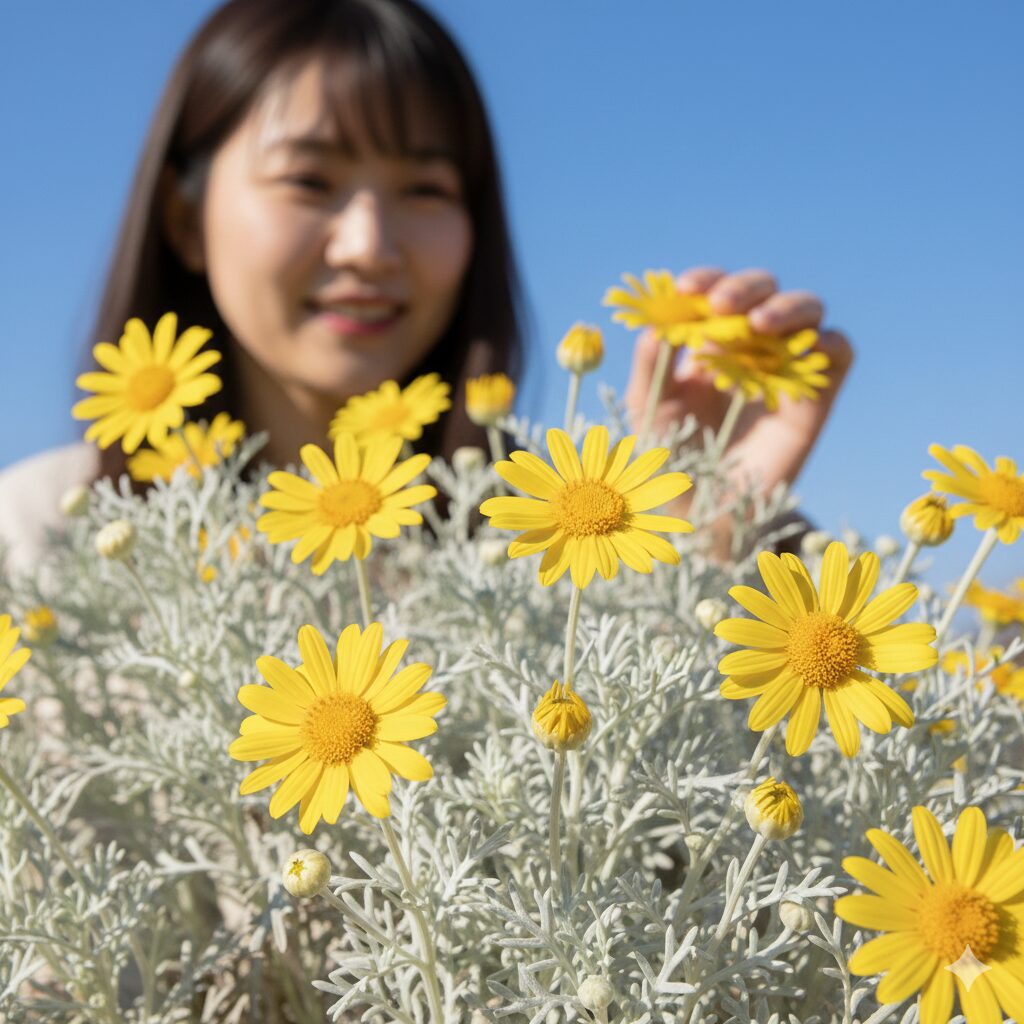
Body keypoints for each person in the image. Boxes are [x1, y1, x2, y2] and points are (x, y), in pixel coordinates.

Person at [0, 0, 851, 574]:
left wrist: (697, 531)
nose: (370, 245)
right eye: (309, 180)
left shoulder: (547, 526)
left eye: (427, 190)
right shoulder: (33, 536)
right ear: (185, 219)